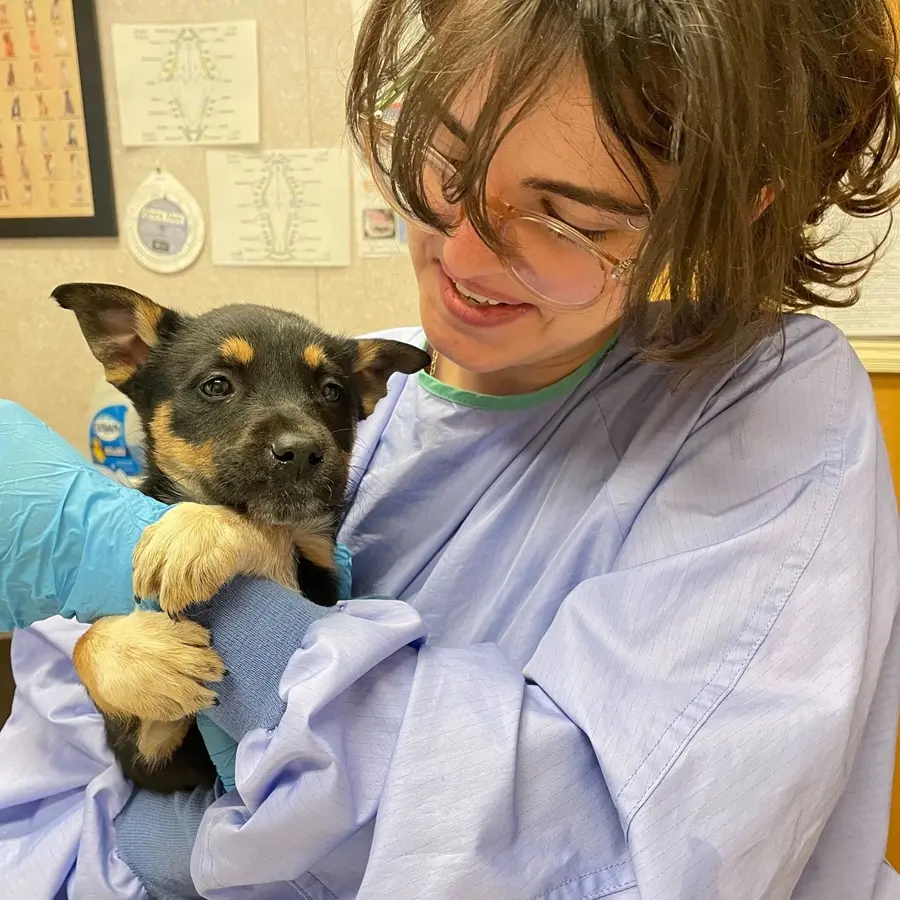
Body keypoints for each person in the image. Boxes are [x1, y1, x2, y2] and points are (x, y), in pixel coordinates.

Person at [1, 0, 900, 897]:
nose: (465, 259)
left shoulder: (760, 408)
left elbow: (599, 851)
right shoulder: (371, 386)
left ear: (721, 214)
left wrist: (187, 817)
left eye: (570, 220)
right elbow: (58, 761)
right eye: (447, 162)